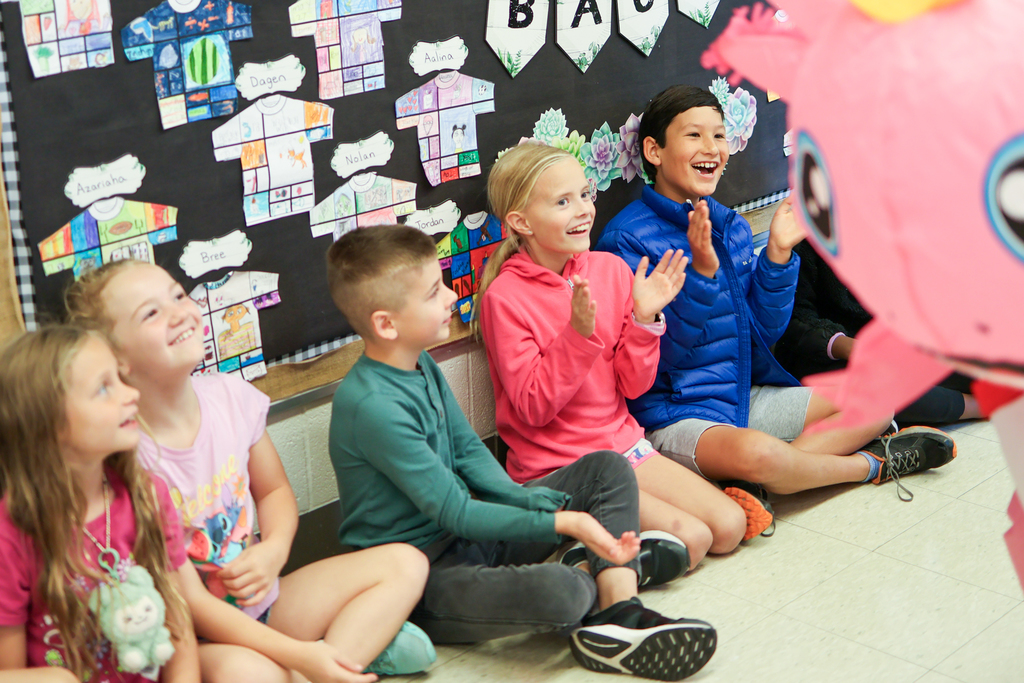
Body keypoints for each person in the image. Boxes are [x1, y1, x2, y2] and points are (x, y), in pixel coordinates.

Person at [325, 224, 717, 681]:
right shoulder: (373, 406)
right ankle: (595, 575)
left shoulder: (418, 361)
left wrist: (532, 501)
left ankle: (622, 612)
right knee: (567, 592)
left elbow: (470, 454)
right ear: (385, 324)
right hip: (418, 578)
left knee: (606, 470)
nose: (452, 297)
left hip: (471, 536)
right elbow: (455, 513)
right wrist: (560, 521)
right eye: (435, 292)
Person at [65, 261, 435, 683]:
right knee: (255, 675)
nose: (178, 311)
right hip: (199, 640)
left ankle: (326, 665)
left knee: (406, 564)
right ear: (117, 361)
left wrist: (274, 549)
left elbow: (275, 491)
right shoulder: (129, 456)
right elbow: (191, 606)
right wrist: (300, 655)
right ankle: (323, 660)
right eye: (150, 313)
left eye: (178, 295)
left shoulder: (230, 397)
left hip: (267, 605)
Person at [596, 85, 956, 499]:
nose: (712, 147)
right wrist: (700, 278)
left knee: (878, 398)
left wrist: (778, 256)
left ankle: (759, 486)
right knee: (760, 454)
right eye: (694, 135)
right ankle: (869, 465)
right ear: (654, 152)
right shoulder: (625, 240)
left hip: (743, 396)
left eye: (719, 134)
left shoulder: (728, 225)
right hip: (677, 413)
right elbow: (649, 369)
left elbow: (762, 334)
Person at [475, 142, 759, 571]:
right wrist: (577, 336)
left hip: (624, 447)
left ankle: (593, 546)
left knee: (729, 526)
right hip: (563, 469)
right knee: (695, 540)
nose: (583, 210)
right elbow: (534, 408)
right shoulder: (505, 298)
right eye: (562, 202)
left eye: (585, 195)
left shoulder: (608, 270)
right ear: (520, 222)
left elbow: (633, 385)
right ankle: (582, 558)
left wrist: (645, 319)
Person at [0, 326, 198, 683]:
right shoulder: (10, 534)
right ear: (47, 423)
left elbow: (179, 631)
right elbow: (10, 673)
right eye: (104, 388)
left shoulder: (147, 494)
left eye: (121, 379)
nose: (132, 394)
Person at [774, 241, 981, 425]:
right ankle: (975, 407)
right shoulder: (803, 242)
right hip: (827, 353)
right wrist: (851, 347)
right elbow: (795, 320)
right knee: (878, 389)